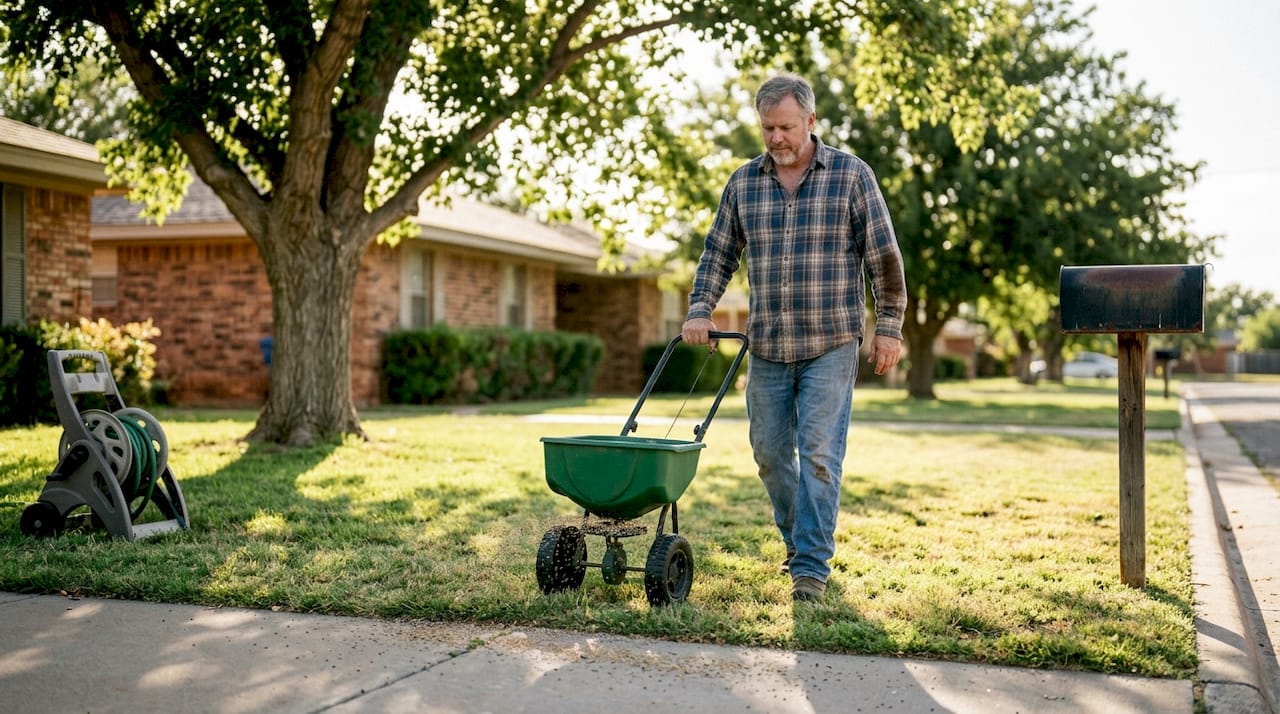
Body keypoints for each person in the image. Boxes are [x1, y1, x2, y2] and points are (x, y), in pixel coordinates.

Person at [682, 74, 907, 602]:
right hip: (768, 346)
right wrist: (699, 308)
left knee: (821, 455)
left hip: (831, 341)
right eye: (767, 128)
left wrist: (889, 328)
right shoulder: (744, 183)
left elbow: (884, 259)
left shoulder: (852, 176)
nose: (776, 138)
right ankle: (796, 540)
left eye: (785, 127)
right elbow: (719, 253)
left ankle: (810, 566)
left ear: (810, 121)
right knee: (769, 454)